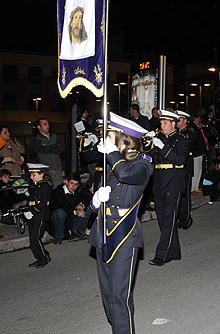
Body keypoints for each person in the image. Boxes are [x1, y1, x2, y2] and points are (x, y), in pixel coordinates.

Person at [88, 112, 153, 334]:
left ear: (123, 138)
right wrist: (95, 202)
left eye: (110, 134)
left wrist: (112, 153)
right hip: (102, 233)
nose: (105, 138)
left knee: (119, 296)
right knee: (107, 297)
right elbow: (97, 200)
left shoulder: (143, 164)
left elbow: (125, 175)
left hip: (124, 236)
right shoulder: (110, 161)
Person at [145, 110, 189, 266]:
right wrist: (148, 144)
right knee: (163, 219)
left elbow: (179, 159)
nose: (162, 126)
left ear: (173, 124)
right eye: (161, 123)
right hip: (159, 182)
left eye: (165, 123)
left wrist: (162, 146)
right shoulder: (159, 139)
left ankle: (161, 255)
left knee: (169, 220)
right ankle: (174, 252)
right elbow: (149, 158)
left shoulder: (181, 139)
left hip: (173, 182)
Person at [24, 163, 52, 268]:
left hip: (40, 215)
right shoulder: (35, 186)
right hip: (33, 215)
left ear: (42, 174)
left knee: (35, 238)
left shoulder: (45, 186)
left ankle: (44, 258)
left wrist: (33, 212)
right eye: (31, 175)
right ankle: (40, 257)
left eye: (34, 175)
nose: (31, 177)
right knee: (32, 239)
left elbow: (44, 202)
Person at [50, 172, 91, 242]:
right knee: (60, 213)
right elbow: (63, 206)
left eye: (76, 184)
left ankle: (79, 231)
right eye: (71, 183)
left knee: (89, 208)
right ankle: (59, 236)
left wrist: (81, 205)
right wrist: (76, 211)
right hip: (58, 221)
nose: (73, 186)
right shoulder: (58, 192)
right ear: (66, 182)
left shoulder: (75, 192)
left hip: (70, 219)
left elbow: (85, 200)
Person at [176, 110, 196, 229]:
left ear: (185, 121)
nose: (177, 122)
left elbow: (188, 147)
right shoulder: (177, 133)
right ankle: (179, 217)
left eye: (179, 120)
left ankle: (186, 218)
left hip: (186, 166)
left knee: (185, 195)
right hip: (177, 167)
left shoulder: (190, 132)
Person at [32, 118, 66, 188]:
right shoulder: (36, 139)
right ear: (39, 127)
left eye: (48, 124)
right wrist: (55, 146)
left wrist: (48, 147)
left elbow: (63, 147)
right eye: (45, 124)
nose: (48, 126)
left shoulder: (55, 136)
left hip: (57, 167)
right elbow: (42, 150)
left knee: (59, 189)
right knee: (47, 189)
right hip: (46, 170)